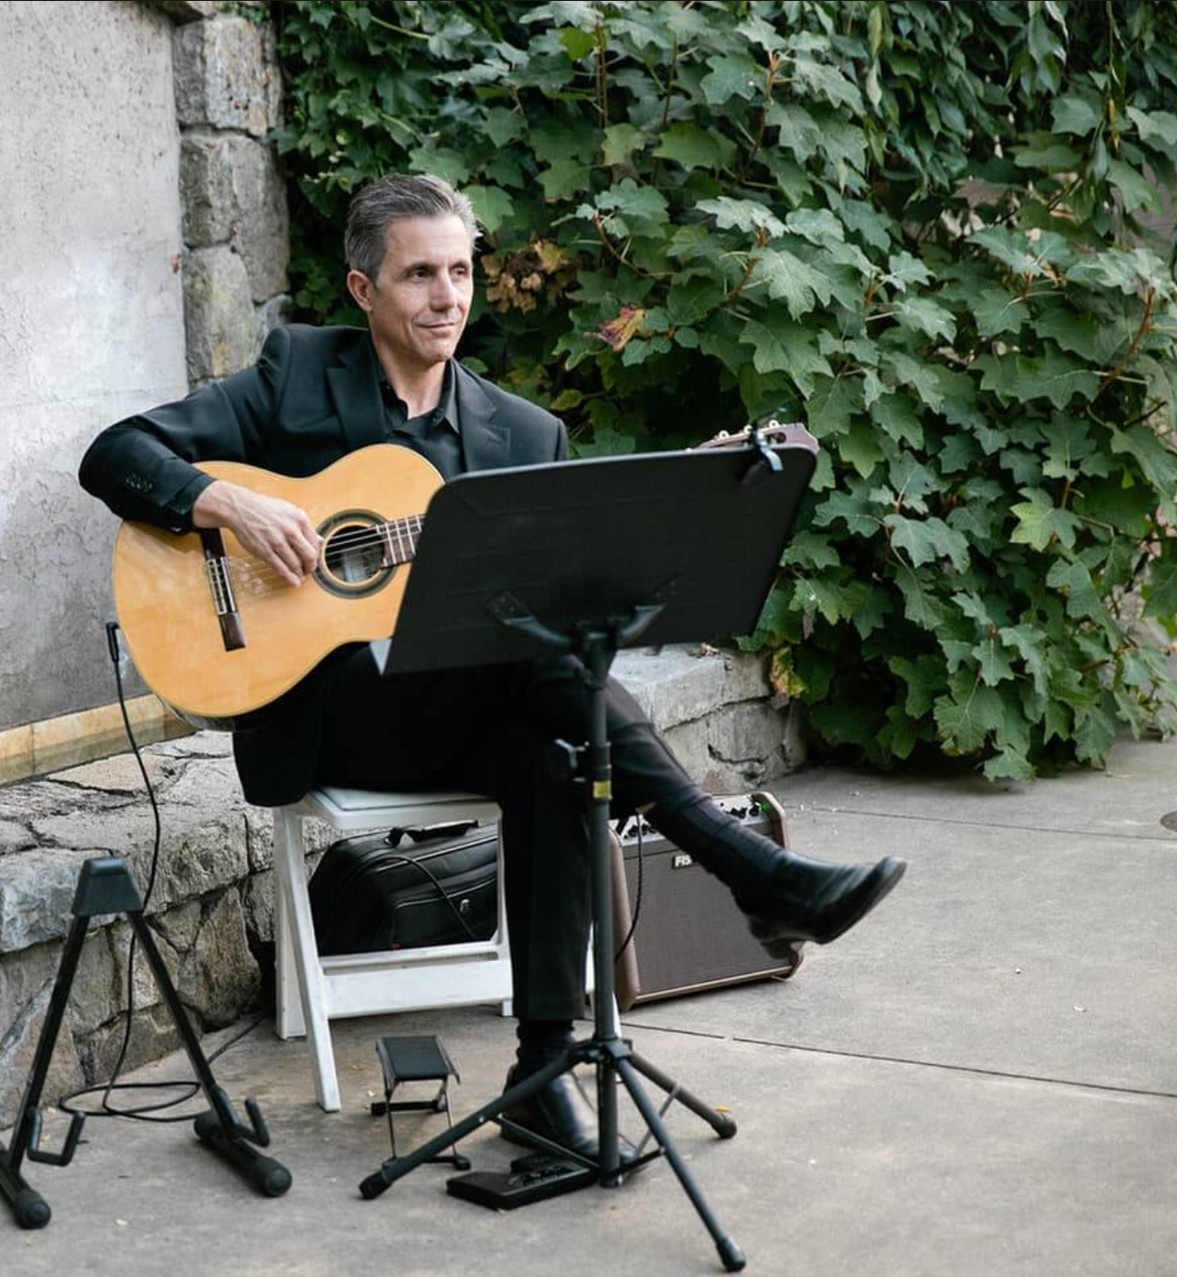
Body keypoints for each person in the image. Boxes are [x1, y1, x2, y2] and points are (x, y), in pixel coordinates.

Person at [78, 174, 904, 1161]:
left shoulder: (521, 434)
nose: (447, 296)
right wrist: (227, 503)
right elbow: (115, 453)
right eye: (419, 274)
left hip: (465, 710)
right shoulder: (295, 378)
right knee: (550, 677)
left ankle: (539, 1074)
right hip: (324, 705)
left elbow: (562, 588)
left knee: (556, 739)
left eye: (461, 271)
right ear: (361, 290)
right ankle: (751, 869)